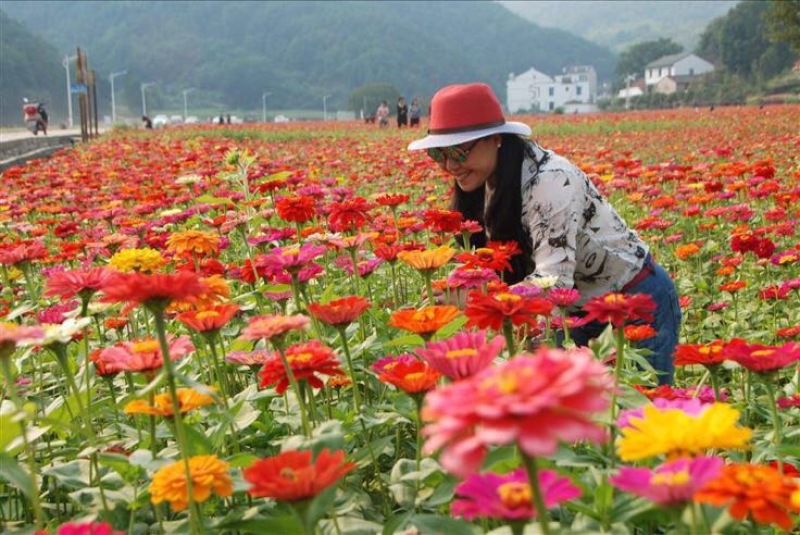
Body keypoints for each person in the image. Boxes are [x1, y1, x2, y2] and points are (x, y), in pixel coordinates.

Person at [407, 83, 680, 385]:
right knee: (576, 423)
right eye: (438, 154)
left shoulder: (551, 182)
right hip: (572, 314)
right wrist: (460, 284)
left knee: (641, 411)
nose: (449, 165)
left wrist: (476, 298)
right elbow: (502, 263)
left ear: (496, 138)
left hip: (633, 302)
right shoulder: (484, 180)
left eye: (458, 151)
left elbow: (553, 283)